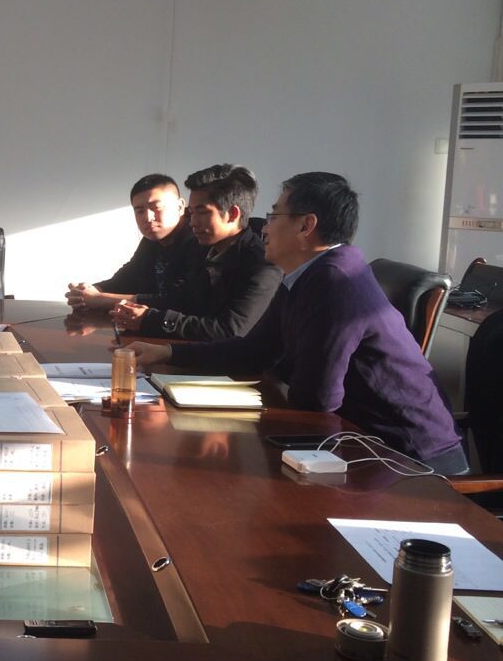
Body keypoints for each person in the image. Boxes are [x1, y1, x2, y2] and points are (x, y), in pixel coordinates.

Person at [126, 172, 468, 475]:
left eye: (274, 216)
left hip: (407, 459)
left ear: (306, 226)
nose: (263, 228)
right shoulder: (306, 275)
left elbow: (316, 400)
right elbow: (253, 351)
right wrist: (167, 353)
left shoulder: (335, 283)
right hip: (360, 442)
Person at [110, 164, 281, 339]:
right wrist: (138, 311)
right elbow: (182, 301)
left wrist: (149, 319)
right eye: (191, 213)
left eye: (202, 213)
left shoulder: (262, 265)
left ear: (232, 214)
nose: (192, 222)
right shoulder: (203, 249)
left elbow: (228, 331)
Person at [67, 173, 194, 313]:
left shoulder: (198, 240)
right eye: (140, 211)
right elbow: (127, 278)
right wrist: (88, 292)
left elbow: (180, 300)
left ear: (180, 207)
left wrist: (101, 299)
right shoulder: (150, 241)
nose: (148, 218)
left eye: (157, 207)